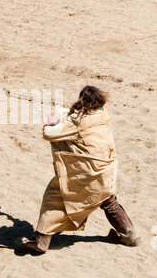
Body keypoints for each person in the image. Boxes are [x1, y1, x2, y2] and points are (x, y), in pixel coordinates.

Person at [19, 85, 141, 253]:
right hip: (106, 173)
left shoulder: (77, 121)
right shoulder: (102, 113)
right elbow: (79, 117)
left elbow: (49, 133)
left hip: (87, 175)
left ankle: (41, 241)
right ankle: (131, 236)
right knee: (108, 200)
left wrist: (52, 118)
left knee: (55, 196)